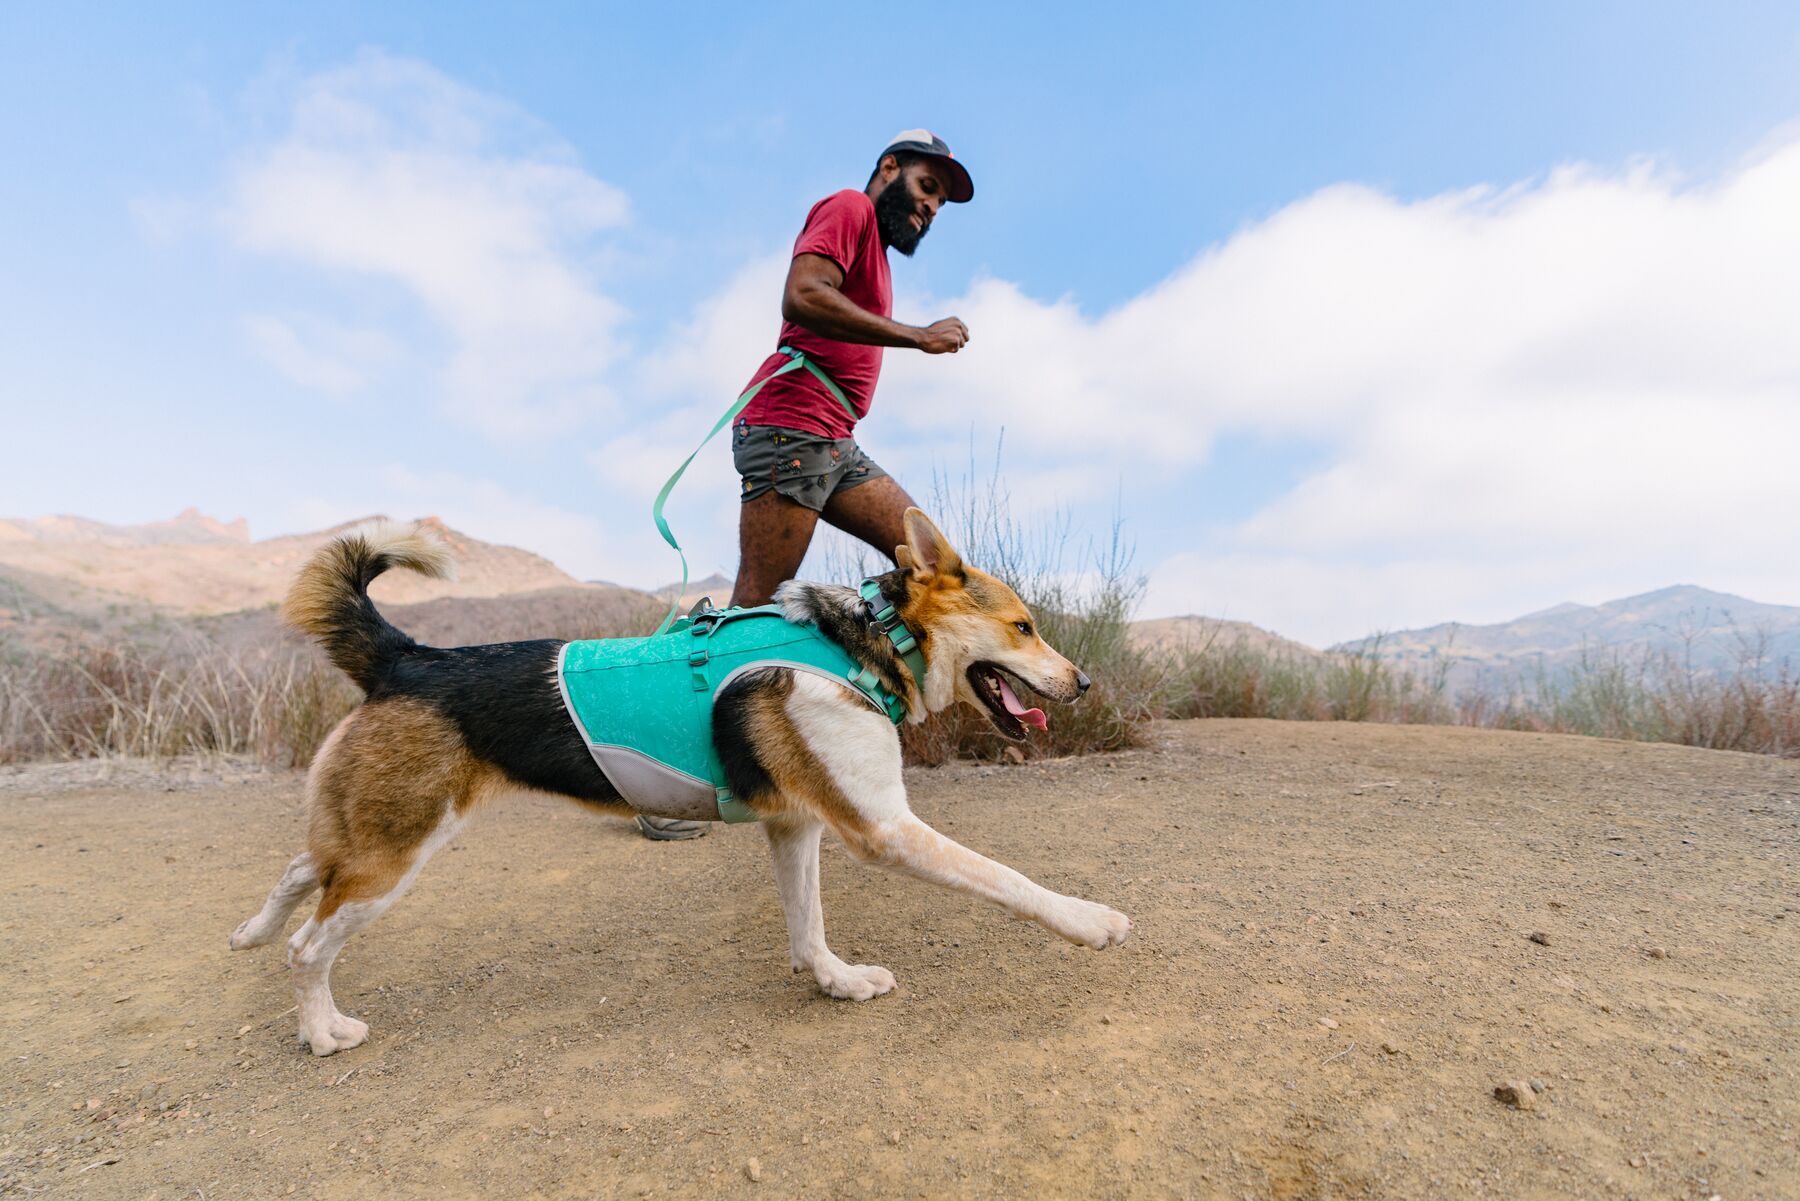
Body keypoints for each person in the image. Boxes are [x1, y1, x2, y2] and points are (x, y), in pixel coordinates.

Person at [636, 129, 975, 842]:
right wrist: (915, 336)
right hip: (790, 431)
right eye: (927, 188)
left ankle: (844, 708)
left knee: (934, 566)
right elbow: (802, 295)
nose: (932, 208)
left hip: (832, 441)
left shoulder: (875, 254)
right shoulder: (850, 207)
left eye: (941, 201)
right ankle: (668, 783)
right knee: (750, 611)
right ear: (890, 169)